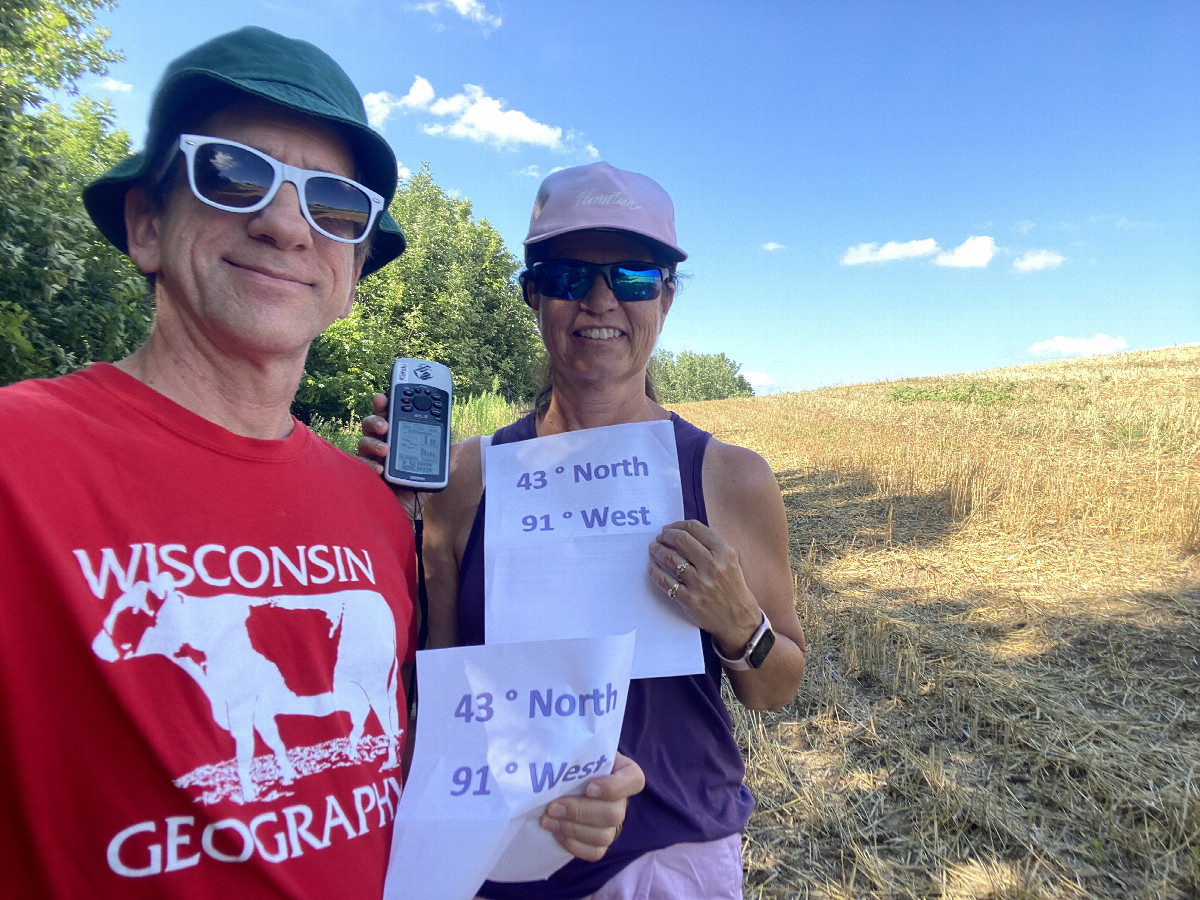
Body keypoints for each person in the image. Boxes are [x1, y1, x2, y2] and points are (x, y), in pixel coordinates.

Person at [0, 27, 640, 899]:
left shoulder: (374, 506)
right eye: (230, 173)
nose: (284, 224)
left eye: (334, 204)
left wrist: (546, 807)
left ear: (351, 270)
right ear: (146, 225)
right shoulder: (19, 460)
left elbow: (392, 765)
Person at [359, 162, 808, 899]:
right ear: (532, 294)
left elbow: (775, 688)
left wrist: (739, 623)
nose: (601, 300)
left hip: (670, 851)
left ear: (666, 295)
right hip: (500, 850)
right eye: (570, 275)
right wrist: (401, 525)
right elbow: (444, 683)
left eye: (633, 274)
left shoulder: (731, 477)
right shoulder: (469, 475)